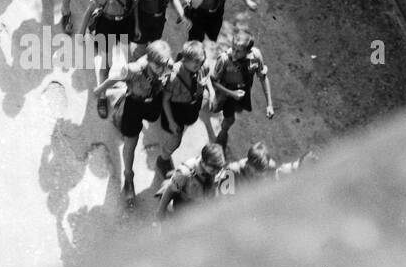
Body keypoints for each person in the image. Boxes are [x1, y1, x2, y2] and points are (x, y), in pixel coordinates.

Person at [96, 40, 173, 208]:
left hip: (153, 102)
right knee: (130, 142)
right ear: (149, 60)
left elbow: (173, 71)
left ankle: (119, 105)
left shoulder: (167, 64)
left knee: (153, 118)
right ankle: (129, 178)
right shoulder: (134, 69)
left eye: (164, 64)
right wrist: (100, 91)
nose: (162, 68)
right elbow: (113, 78)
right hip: (135, 104)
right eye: (158, 65)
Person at [208, 22, 275, 150]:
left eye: (239, 51)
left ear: (248, 51)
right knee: (216, 109)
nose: (234, 53)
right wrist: (231, 93)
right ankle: (221, 130)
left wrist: (269, 104)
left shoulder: (255, 56)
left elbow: (263, 78)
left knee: (230, 116)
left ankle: (223, 130)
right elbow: (214, 81)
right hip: (225, 92)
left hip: (242, 92)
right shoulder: (224, 59)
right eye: (233, 48)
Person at [155, 41, 208, 177]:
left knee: (183, 128)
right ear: (185, 60)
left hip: (189, 108)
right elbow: (165, 100)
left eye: (201, 62)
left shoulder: (200, 68)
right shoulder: (173, 77)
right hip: (175, 110)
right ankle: (163, 159)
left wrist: (205, 89)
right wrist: (172, 122)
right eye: (195, 63)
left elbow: (206, 82)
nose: (199, 66)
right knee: (176, 140)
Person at [83, 0, 140, 70]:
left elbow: (135, 4)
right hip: (107, 25)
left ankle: (127, 71)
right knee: (107, 54)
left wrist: (136, 26)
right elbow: (89, 11)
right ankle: (106, 72)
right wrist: (80, 34)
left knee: (126, 50)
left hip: (123, 23)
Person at [156, 142, 228, 214]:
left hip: (202, 205)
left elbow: (215, 188)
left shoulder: (216, 169)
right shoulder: (185, 173)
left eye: (219, 168)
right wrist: (160, 212)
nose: (217, 172)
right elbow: (169, 191)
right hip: (185, 207)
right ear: (203, 162)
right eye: (213, 170)